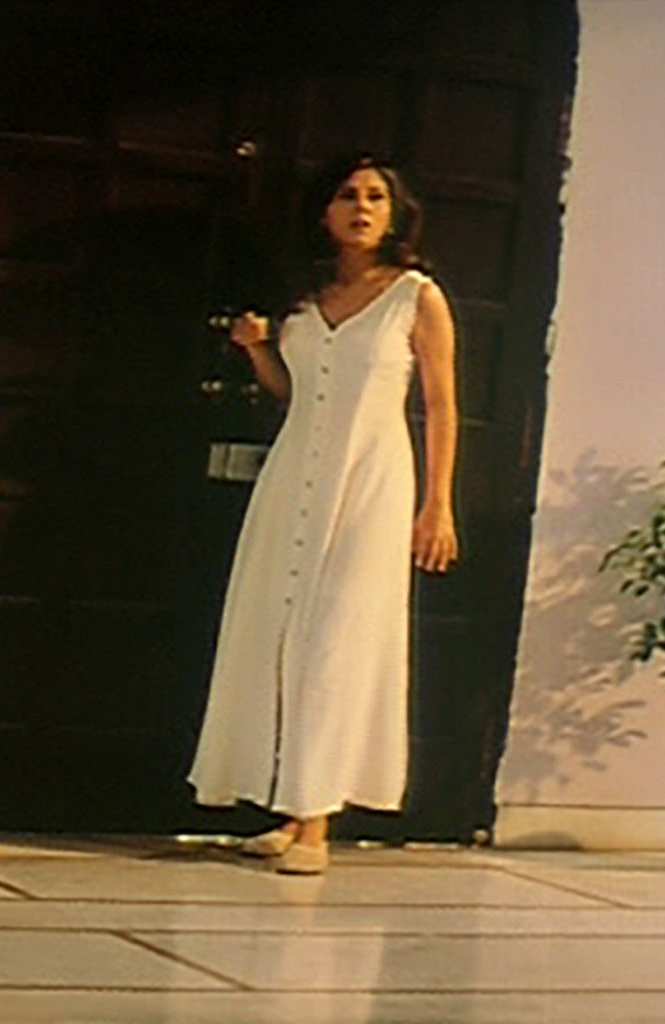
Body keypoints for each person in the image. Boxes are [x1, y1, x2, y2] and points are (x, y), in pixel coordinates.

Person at [187, 154, 458, 875]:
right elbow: (293, 392)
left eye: (376, 197)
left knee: (338, 639)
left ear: (394, 214)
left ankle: (317, 824)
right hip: (292, 481)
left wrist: (437, 505)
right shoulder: (305, 300)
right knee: (278, 631)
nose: (361, 207)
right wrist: (257, 351)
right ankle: (289, 806)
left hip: (371, 483)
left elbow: (441, 405)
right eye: (347, 195)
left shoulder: (416, 296)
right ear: (325, 212)